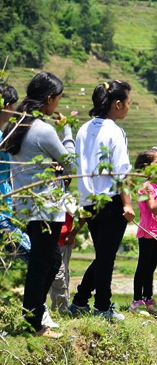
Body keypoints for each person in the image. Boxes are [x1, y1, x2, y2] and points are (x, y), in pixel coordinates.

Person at [3, 72, 75, 338]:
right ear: (48, 99)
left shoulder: (15, 125)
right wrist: (67, 129)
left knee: (50, 261)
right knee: (41, 265)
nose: (57, 104)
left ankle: (33, 315)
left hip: (26, 205)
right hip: (46, 208)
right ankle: (31, 325)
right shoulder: (43, 130)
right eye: (57, 99)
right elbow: (72, 164)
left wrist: (52, 166)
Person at [70, 80, 135, 321]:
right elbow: (121, 172)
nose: (129, 108)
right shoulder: (115, 131)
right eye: (128, 103)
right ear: (117, 104)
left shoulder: (84, 128)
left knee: (103, 255)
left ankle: (79, 301)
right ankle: (103, 307)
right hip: (110, 201)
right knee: (106, 258)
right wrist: (127, 204)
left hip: (89, 201)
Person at [129, 147, 157, 316]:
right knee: (143, 267)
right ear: (147, 167)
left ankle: (149, 299)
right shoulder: (146, 187)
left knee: (152, 267)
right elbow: (153, 208)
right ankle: (136, 302)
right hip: (148, 232)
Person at [0, 84, 31, 261]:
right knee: (31, 254)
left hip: (7, 203)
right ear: (7, 106)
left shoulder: (5, 135)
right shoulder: (2, 137)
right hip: (2, 210)